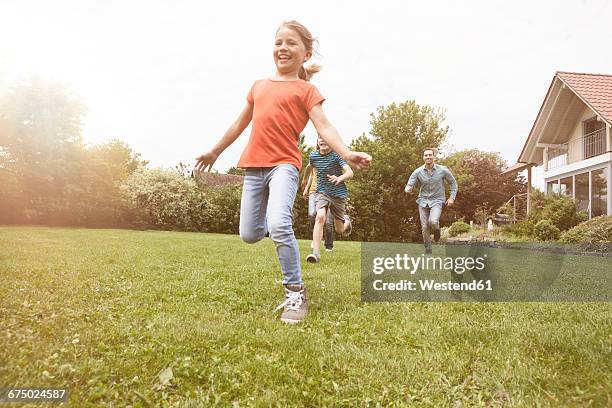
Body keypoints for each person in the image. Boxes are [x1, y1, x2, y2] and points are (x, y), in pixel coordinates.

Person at [195, 21, 371, 324]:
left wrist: (346, 153)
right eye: (278, 42)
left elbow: (324, 126)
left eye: (291, 43)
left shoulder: (306, 90)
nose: (283, 48)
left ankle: (295, 292)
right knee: (249, 234)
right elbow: (240, 123)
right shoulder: (258, 86)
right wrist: (214, 151)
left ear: (306, 52)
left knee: (278, 223)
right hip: (254, 166)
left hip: (284, 166)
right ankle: (277, 231)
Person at [306, 135, 353, 263]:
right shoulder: (313, 156)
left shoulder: (337, 156)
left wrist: (339, 178)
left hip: (338, 195)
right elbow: (309, 167)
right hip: (322, 192)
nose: (322, 140)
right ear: (317, 141)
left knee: (340, 230)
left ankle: (346, 221)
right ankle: (315, 253)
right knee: (320, 216)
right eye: (320, 138)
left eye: (326, 138)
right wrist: (304, 179)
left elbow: (350, 172)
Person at [404, 148, 457, 254]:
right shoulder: (418, 171)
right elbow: (408, 186)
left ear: (434, 157)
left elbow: (453, 183)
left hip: (437, 200)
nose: (428, 157)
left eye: (430, 155)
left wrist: (451, 198)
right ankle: (428, 250)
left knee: (433, 221)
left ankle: (436, 230)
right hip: (422, 200)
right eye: (426, 155)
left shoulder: (443, 170)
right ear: (423, 157)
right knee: (424, 227)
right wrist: (408, 189)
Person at [301, 143, 334, 252]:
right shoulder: (314, 156)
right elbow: (311, 174)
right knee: (312, 214)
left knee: (328, 221)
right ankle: (316, 238)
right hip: (313, 190)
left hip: (328, 192)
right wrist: (306, 188)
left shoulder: (333, 158)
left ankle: (328, 245)